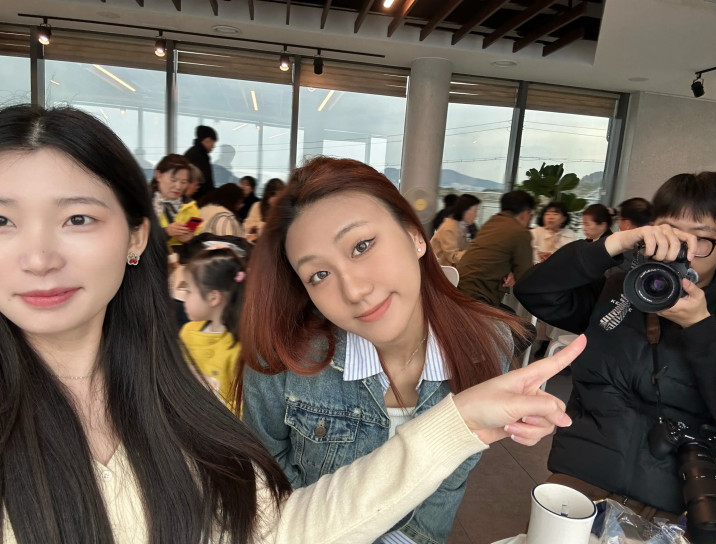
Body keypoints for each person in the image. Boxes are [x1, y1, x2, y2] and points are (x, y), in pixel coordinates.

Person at [0, 104, 579, 543]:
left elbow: (267, 526)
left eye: (77, 218)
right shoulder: (285, 363)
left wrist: (465, 421)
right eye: (1, 221)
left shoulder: (176, 393)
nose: (39, 258)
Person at [239, 157, 544, 544]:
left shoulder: (485, 345)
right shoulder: (281, 359)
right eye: (319, 274)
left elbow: (445, 488)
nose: (354, 291)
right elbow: (266, 487)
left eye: (361, 246)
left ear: (415, 236)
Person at [514, 172, 716, 540]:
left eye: (701, 238)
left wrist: (700, 327)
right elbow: (534, 291)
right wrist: (612, 245)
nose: (684, 249)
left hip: (680, 499)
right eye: (671, 232)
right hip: (582, 478)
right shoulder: (620, 284)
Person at [181, 246, 245, 404]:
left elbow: (242, 407)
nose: (184, 297)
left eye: (188, 291)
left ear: (213, 298)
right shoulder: (187, 332)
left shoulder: (239, 349)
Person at [456, 190, 535, 308]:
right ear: (525, 212)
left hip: (458, 289)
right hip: (479, 297)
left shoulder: (491, 223)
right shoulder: (520, 232)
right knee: (517, 320)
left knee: (510, 313)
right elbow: (526, 277)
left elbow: (496, 255)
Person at [150, 153, 201, 253]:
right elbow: (135, 237)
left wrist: (191, 239)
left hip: (182, 259)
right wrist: (166, 232)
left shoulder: (191, 206)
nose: (178, 187)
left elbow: (199, 240)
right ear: (158, 175)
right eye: (173, 180)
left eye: (183, 182)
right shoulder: (144, 203)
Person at [429, 193, 480, 266]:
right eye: (474, 211)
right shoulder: (449, 228)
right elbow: (453, 256)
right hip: (440, 268)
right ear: (465, 210)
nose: (476, 215)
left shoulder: (461, 226)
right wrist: (474, 252)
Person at [244, 178, 285, 242]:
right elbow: (247, 226)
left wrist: (258, 226)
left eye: (279, 196)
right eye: (273, 195)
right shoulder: (257, 206)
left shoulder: (284, 211)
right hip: (256, 244)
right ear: (267, 195)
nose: (276, 199)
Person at [184, 125, 217, 200]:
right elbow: (204, 183)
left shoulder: (194, 153)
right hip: (198, 199)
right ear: (207, 140)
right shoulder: (199, 156)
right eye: (213, 142)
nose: (213, 146)